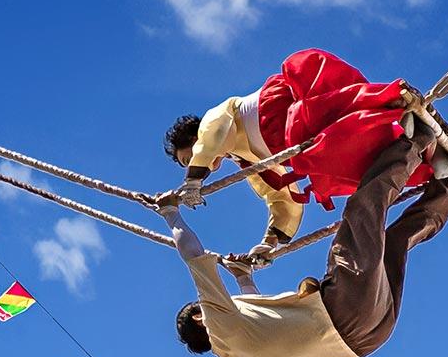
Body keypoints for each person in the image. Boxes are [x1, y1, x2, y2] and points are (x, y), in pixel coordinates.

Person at [162, 128, 448, 357]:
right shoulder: (216, 321)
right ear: (200, 317)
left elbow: (255, 307)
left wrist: (242, 276)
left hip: (370, 336)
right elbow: (193, 256)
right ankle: (417, 140)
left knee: (395, 243)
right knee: (361, 212)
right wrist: (170, 214)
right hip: (344, 312)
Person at [163, 48, 428, 254]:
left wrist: (194, 178)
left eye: (190, 157)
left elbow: (213, 136)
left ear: (195, 140)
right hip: (300, 141)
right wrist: (271, 242)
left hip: (287, 109)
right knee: (345, 163)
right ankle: (421, 157)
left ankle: (389, 102)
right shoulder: (248, 162)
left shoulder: (215, 117)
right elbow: (280, 196)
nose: (209, 165)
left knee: (310, 123)